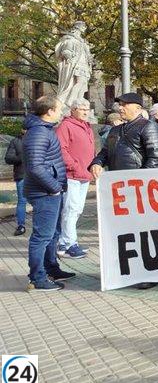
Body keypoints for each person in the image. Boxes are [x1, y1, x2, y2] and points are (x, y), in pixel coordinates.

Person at [90, 92, 158, 290]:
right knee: (125, 232)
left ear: (138, 108)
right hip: (119, 191)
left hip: (140, 190)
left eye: (124, 104)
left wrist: (142, 185)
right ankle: (129, 270)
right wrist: (97, 163)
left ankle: (151, 272)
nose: (120, 108)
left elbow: (155, 158)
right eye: (119, 105)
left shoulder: (149, 127)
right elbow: (104, 153)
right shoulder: (116, 130)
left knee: (144, 231)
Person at [23, 95, 75, 291]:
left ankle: (51, 268)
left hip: (49, 190)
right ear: (49, 111)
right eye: (59, 109)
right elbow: (35, 167)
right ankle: (37, 277)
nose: (61, 112)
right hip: (45, 192)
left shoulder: (43, 130)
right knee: (42, 236)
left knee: (53, 234)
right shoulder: (38, 133)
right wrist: (54, 187)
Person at [55, 98, 95, 259]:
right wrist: (74, 166)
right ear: (73, 110)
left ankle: (65, 241)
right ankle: (70, 243)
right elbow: (61, 149)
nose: (85, 112)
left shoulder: (87, 127)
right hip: (72, 175)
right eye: (82, 109)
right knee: (70, 209)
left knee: (77, 209)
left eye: (87, 109)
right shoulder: (66, 126)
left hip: (84, 175)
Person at [5, 129, 27, 235]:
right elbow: (8, 158)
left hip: (37, 176)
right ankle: (21, 225)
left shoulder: (39, 138)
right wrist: (21, 157)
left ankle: (40, 225)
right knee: (22, 201)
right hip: (22, 175)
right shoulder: (15, 141)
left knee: (38, 202)